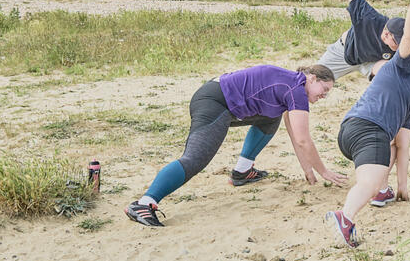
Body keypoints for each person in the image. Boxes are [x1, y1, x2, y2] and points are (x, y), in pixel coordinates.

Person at [125, 64, 345, 227]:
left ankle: (242, 172)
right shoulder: (296, 90)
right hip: (214, 102)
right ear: (312, 78)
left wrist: (307, 168)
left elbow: (293, 131)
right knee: (195, 159)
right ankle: (145, 203)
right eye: (324, 89)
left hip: (220, 98)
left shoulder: (293, 84)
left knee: (271, 116)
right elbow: (303, 139)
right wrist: (324, 171)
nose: (324, 96)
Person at [326, 0, 410, 248]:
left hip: (351, 132)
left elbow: (403, 145)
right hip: (367, 129)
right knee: (370, 179)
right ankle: (346, 216)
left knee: (389, 149)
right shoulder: (402, 65)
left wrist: (403, 186)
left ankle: (382, 192)